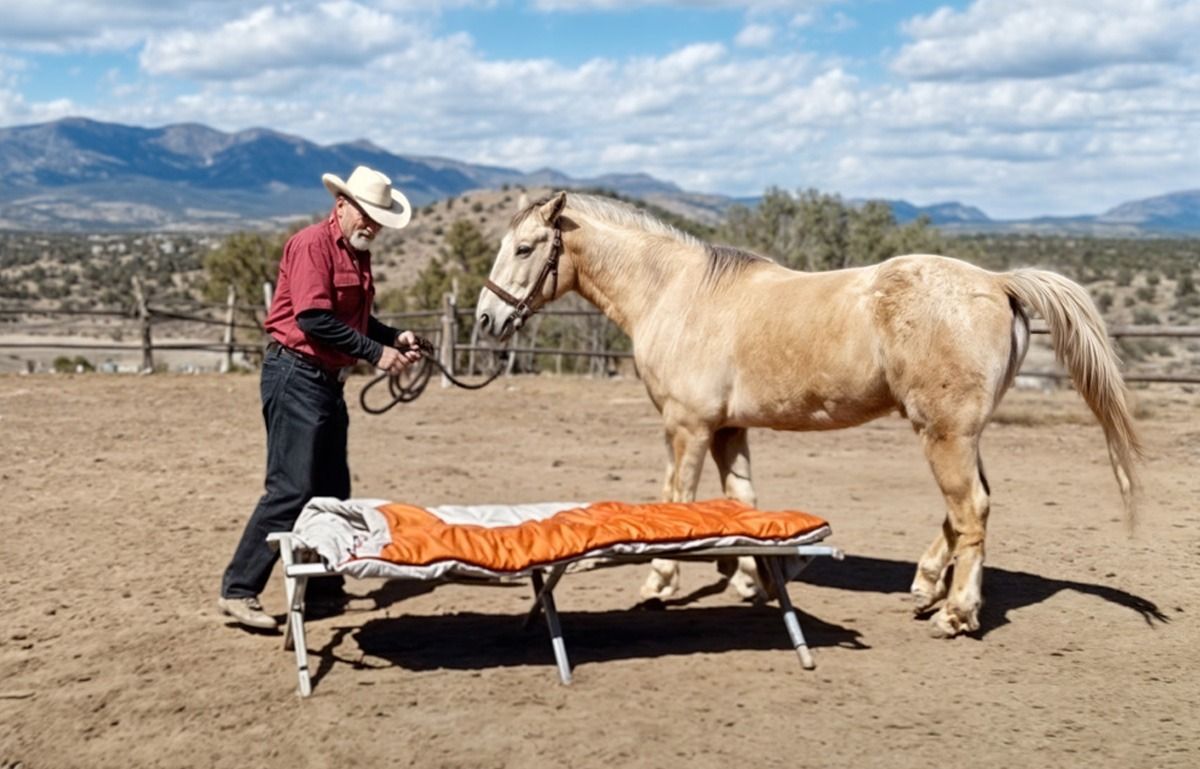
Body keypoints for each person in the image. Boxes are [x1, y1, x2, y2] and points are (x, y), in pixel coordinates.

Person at [218, 165, 423, 630]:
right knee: (291, 488)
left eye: (378, 219)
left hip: (325, 381)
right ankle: (239, 589)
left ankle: (324, 587)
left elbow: (353, 319)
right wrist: (377, 354)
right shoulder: (312, 244)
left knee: (331, 489)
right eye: (366, 215)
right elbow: (313, 319)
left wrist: (394, 336)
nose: (371, 225)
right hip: (297, 374)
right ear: (343, 205)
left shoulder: (357, 252)